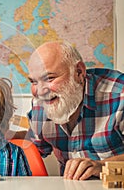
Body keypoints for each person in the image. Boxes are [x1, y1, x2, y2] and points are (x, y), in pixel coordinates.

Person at [27, 41, 124, 180]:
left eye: (49, 78)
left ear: (79, 72)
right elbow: (34, 146)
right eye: (33, 82)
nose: (40, 91)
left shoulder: (120, 95)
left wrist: (102, 167)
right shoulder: (40, 104)